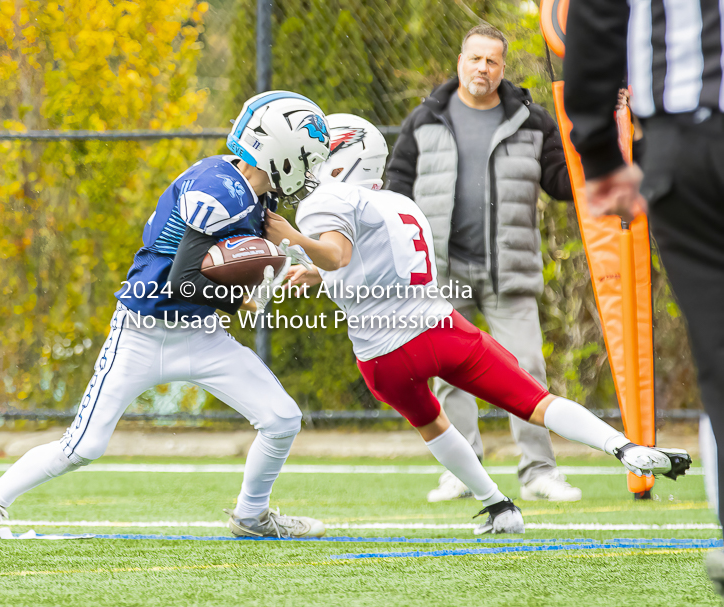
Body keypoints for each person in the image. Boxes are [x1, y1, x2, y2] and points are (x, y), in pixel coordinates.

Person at [264, 113, 692, 535]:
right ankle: (625, 447)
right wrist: (321, 270)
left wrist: (293, 240)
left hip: (382, 358)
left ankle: (499, 507)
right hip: (439, 330)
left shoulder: (327, 199)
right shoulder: (399, 203)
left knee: (433, 424)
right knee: (535, 402)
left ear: (341, 158)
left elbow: (338, 254)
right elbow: (376, 259)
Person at [0, 91, 331, 540]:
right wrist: (240, 299)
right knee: (82, 447)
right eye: (306, 159)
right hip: (142, 331)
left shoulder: (250, 193)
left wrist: (265, 272)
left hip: (200, 334)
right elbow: (184, 282)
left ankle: (251, 518)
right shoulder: (220, 190)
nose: (308, 171)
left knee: (281, 419)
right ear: (280, 151)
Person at [562, 0, 724, 596]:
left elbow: (596, 19)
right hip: (688, 141)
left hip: (687, 141)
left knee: (720, 346)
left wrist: (601, 151)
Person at [385, 24, 580, 502]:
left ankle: (539, 472)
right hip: (441, 269)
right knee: (449, 375)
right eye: (475, 59)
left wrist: (585, 152)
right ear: (460, 60)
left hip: (508, 270)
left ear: (503, 67)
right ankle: (464, 471)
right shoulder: (425, 118)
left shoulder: (532, 120)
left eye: (492, 61)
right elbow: (395, 189)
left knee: (527, 368)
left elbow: (560, 183)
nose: (483, 69)